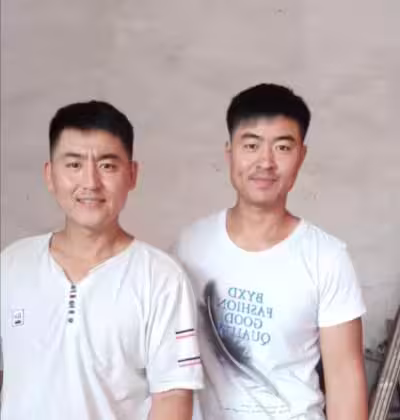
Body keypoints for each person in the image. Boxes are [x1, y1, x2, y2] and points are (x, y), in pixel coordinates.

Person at [173, 84, 368, 419]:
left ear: (301, 156)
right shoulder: (190, 246)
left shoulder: (326, 258)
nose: (265, 162)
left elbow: (344, 379)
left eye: (282, 147)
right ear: (229, 153)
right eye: (251, 145)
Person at [0, 101, 202, 420]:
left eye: (107, 166)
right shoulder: (11, 266)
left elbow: (173, 396)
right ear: (50, 175)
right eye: (74, 164)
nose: (90, 182)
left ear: (132, 174)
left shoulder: (161, 278)